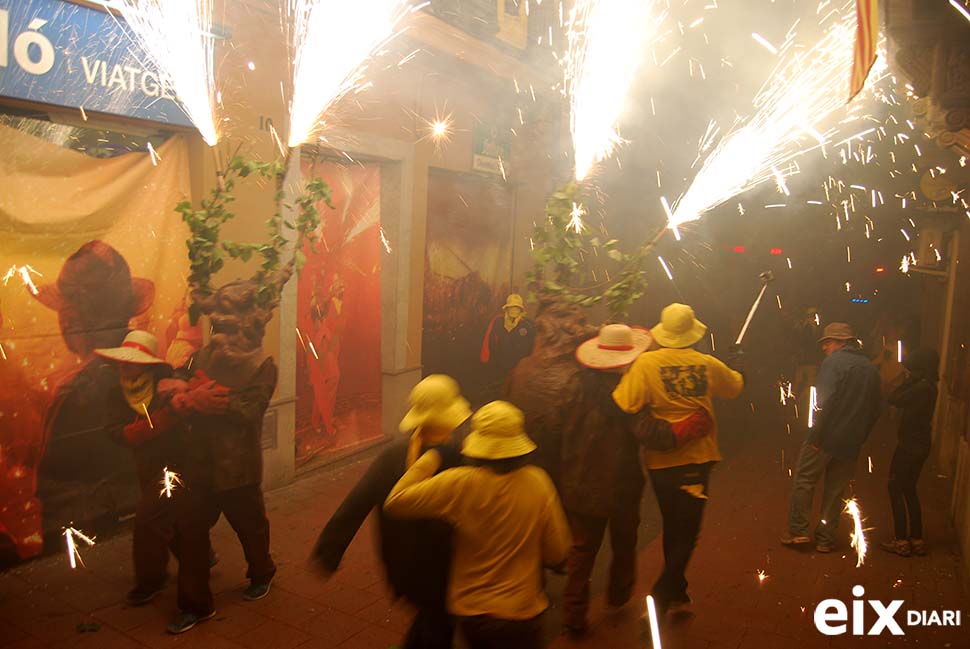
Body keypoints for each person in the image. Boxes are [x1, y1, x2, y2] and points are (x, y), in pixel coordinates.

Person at [562, 324, 713, 636]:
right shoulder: (628, 392)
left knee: (582, 550)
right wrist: (689, 426)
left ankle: (573, 617)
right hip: (621, 483)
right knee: (624, 543)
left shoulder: (573, 385)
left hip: (579, 478)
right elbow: (651, 432)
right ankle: (617, 597)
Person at [384, 401, 571, 649]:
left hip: (472, 613)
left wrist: (431, 456)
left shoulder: (460, 483)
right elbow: (557, 551)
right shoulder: (538, 482)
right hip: (523, 612)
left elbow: (396, 501)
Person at [310, 374, 472, 648]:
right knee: (438, 621)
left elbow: (356, 502)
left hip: (400, 563)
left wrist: (330, 549)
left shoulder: (393, 456)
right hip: (443, 568)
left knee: (433, 618)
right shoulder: (460, 457)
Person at [612, 303, 743, 616]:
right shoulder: (707, 363)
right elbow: (735, 387)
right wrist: (737, 363)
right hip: (698, 460)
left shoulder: (646, 364)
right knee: (687, 531)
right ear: (692, 332)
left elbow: (625, 402)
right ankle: (661, 595)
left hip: (660, 461)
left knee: (674, 524)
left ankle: (677, 589)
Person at [166, 281, 278, 634]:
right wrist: (181, 393)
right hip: (198, 464)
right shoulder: (203, 357)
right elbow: (178, 378)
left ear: (249, 326)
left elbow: (251, 408)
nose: (220, 336)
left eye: (229, 328)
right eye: (218, 327)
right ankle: (195, 605)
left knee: (251, 528)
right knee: (187, 530)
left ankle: (262, 572)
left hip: (238, 469)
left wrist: (213, 401)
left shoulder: (263, 365)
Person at [32, 240, 155, 541]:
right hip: (139, 516)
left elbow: (55, 490)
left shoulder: (78, 393)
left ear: (75, 319)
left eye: (65, 310)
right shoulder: (146, 365)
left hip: (96, 528)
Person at [94, 331, 185, 606]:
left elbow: (182, 415)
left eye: (131, 361)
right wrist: (131, 433)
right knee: (167, 518)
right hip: (145, 467)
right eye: (122, 361)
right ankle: (201, 557)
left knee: (147, 521)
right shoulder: (116, 394)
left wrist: (166, 418)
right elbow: (113, 430)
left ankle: (150, 581)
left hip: (175, 464)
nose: (124, 366)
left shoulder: (166, 385)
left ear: (147, 364)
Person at [781, 322, 882, 553]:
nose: (824, 347)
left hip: (825, 438)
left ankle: (798, 532)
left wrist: (815, 435)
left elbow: (822, 403)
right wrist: (861, 436)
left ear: (841, 342)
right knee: (835, 490)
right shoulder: (870, 368)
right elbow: (877, 408)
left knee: (805, 480)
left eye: (827, 342)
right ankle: (826, 540)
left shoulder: (833, 363)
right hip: (851, 442)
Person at [880, 348, 939, 557]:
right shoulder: (930, 387)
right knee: (910, 489)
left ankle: (901, 540)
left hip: (909, 446)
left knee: (895, 487)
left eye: (911, 370)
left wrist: (907, 381)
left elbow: (894, 398)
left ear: (920, 370)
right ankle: (916, 538)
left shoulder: (921, 387)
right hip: (919, 444)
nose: (908, 373)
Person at [480, 294, 536, 399]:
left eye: (517, 308)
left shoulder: (527, 326)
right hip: (498, 367)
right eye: (511, 307)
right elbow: (488, 341)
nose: (514, 310)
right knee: (498, 394)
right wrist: (487, 359)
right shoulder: (498, 322)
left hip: (518, 369)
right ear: (507, 308)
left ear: (521, 310)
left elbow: (532, 347)